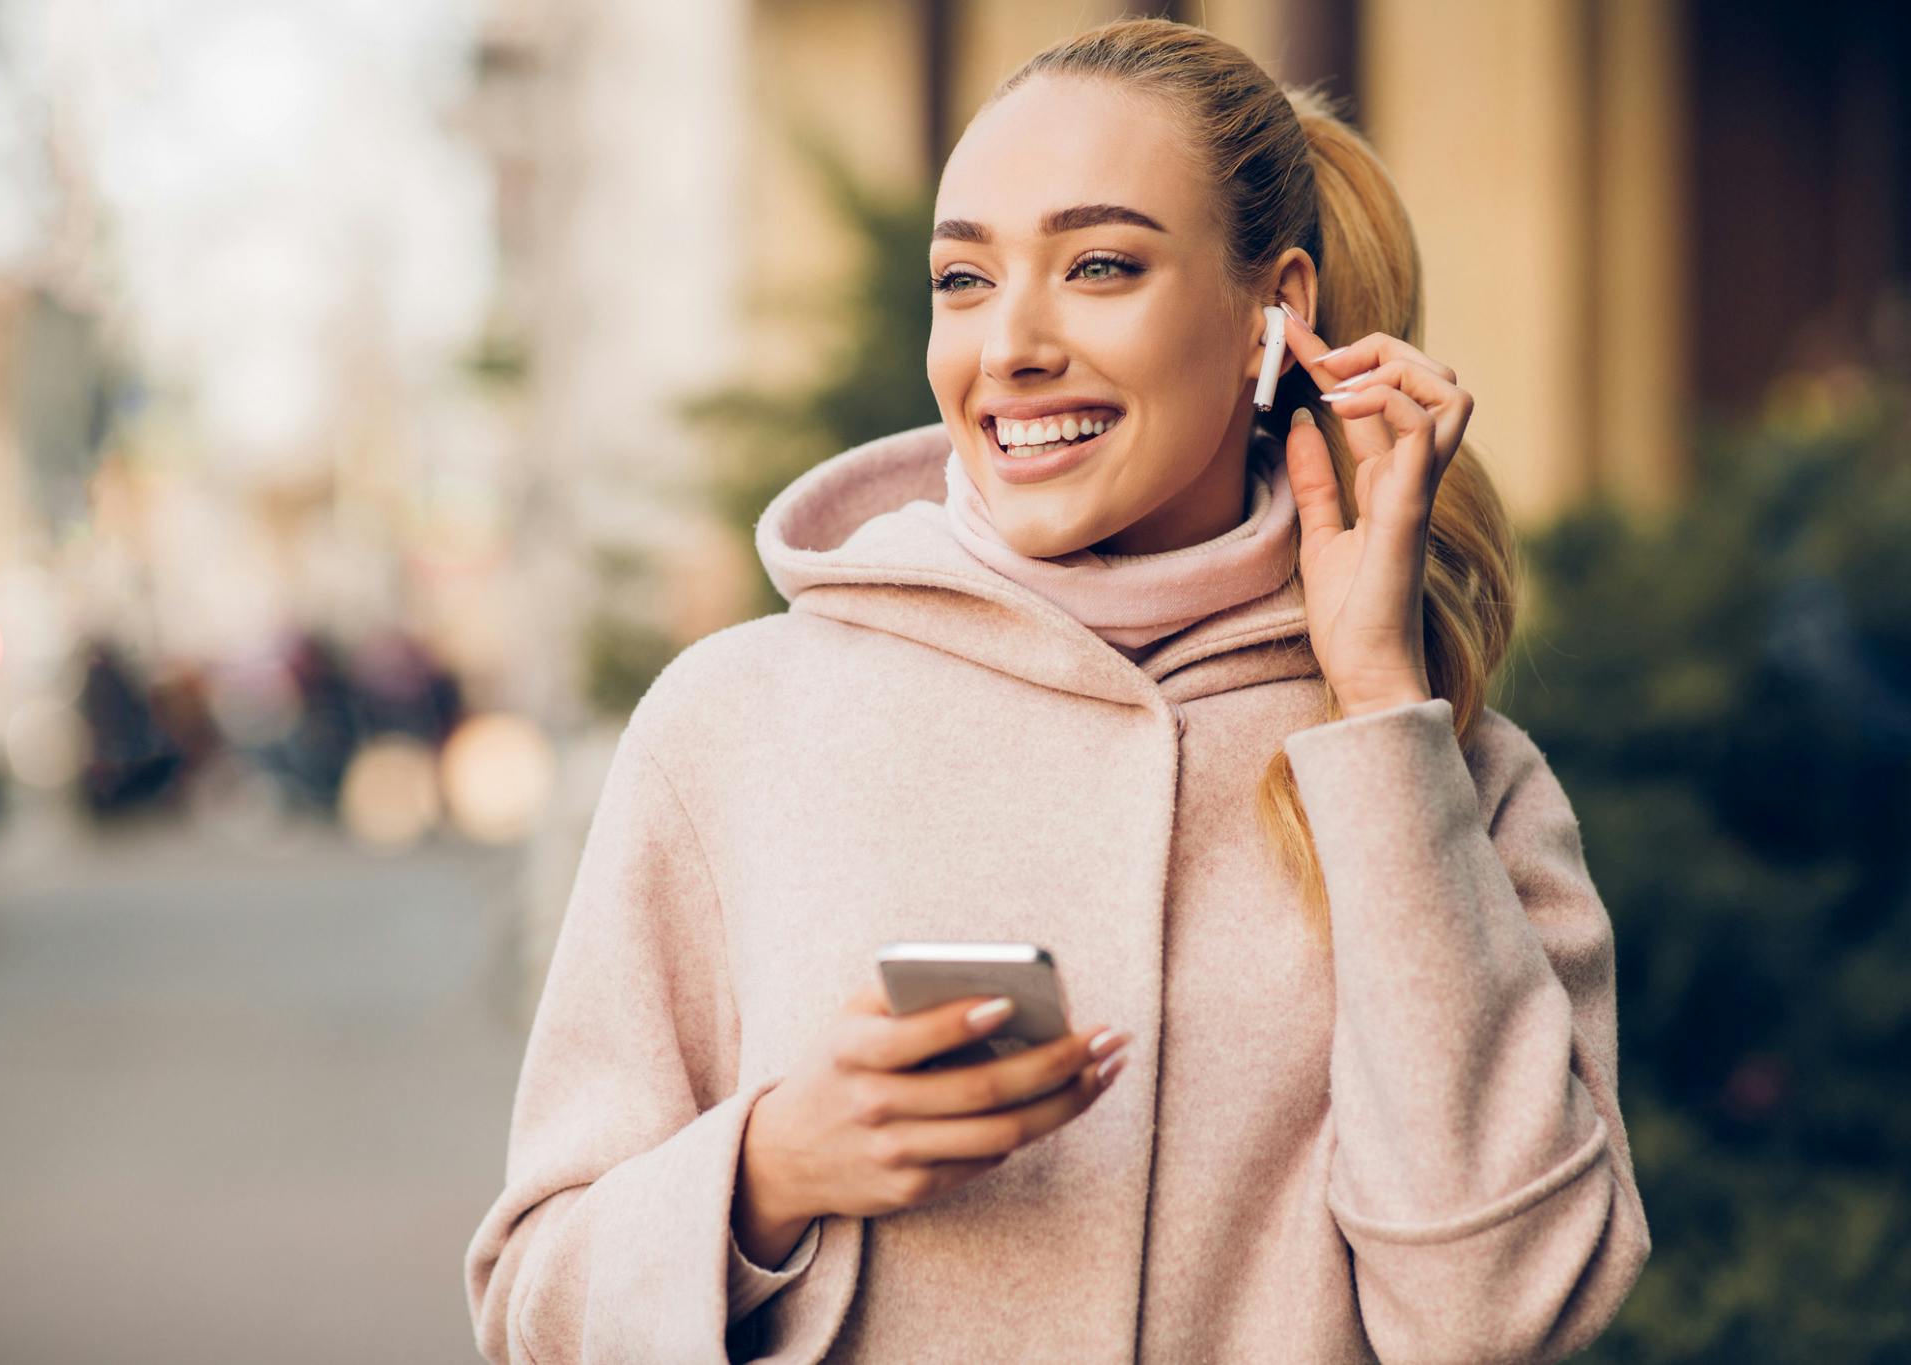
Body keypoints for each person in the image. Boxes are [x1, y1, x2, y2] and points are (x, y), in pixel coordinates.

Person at [464, 16, 1650, 1363]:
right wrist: (770, 1169)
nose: (1011, 344)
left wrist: (1378, 701)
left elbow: (1499, 1309)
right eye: (963, 278)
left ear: (1280, 311)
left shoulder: (1460, 777)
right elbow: (531, 1299)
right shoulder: (734, 722)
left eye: (1099, 265)